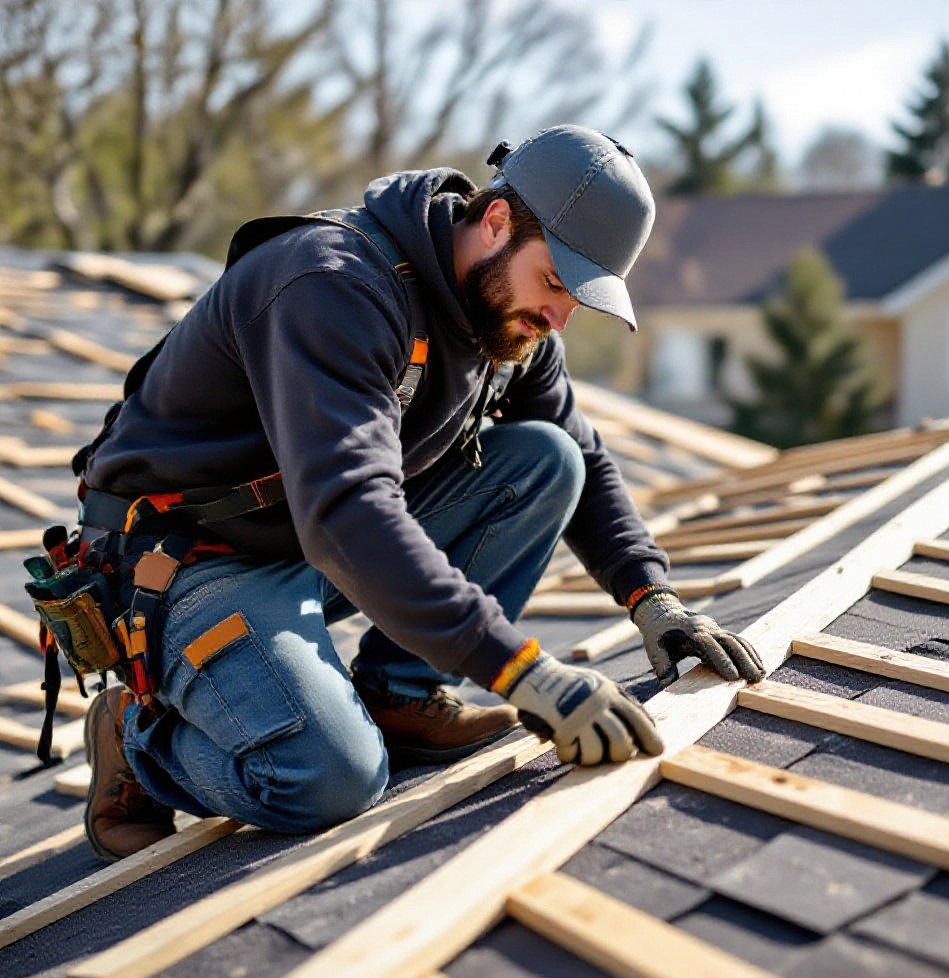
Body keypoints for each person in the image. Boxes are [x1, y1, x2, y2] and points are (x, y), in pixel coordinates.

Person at [75, 125, 764, 862]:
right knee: (327, 778)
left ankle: (399, 696)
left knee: (546, 458)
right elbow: (348, 511)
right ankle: (138, 740)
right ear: (496, 220)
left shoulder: (504, 316)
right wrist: (520, 669)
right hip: (193, 560)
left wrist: (650, 597)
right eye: (557, 283)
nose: (559, 317)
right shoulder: (333, 284)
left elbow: (586, 460)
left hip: (312, 539)